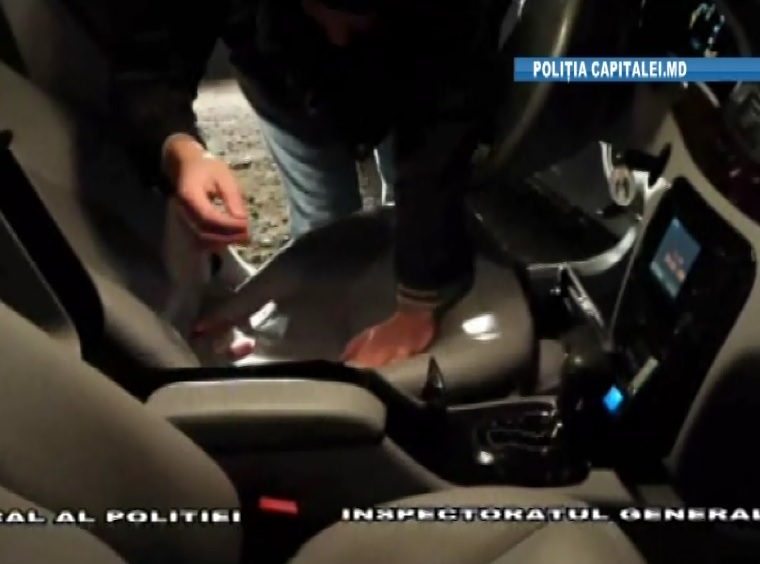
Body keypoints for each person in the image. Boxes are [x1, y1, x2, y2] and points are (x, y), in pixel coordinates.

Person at [108, 0, 498, 368]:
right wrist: (181, 150)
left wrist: (419, 298)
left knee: (414, 205)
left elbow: (446, 117)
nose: (339, 39)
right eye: (323, 10)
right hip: (285, 84)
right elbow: (153, 61)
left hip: (410, 72)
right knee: (324, 224)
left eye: (359, 20)